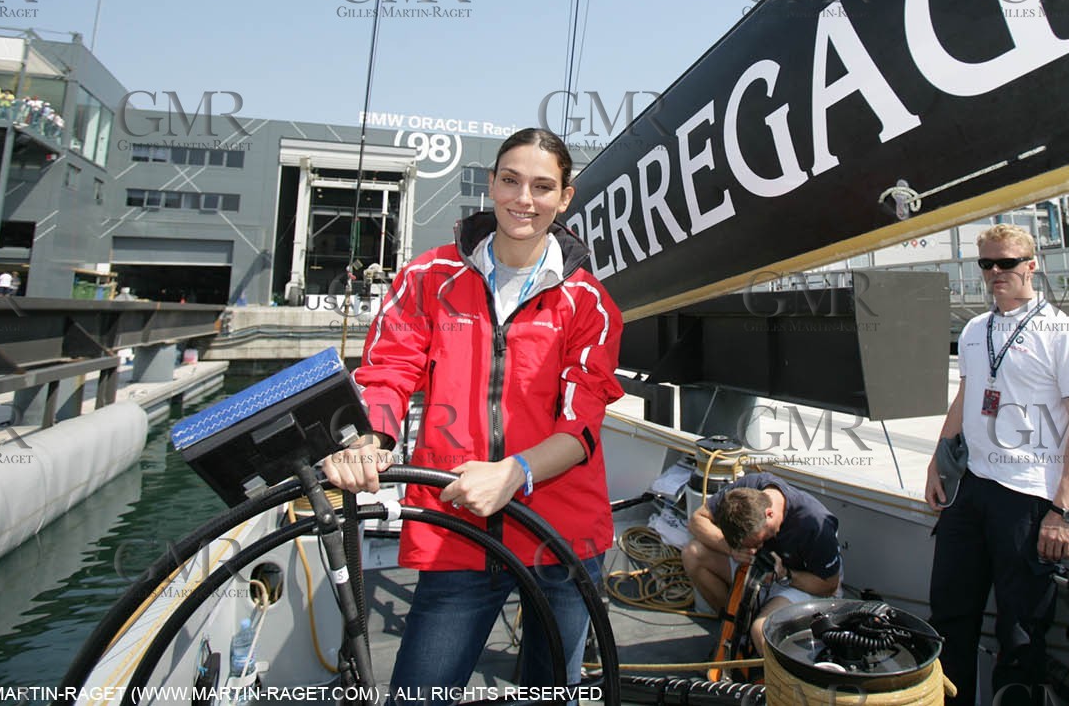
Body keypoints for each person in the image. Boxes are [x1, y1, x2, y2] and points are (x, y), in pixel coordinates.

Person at [321, 127, 624, 694]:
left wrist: (515, 472)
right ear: (491, 184)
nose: (523, 199)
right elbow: (387, 373)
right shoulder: (427, 278)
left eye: (542, 186)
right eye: (510, 181)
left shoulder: (590, 304)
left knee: (552, 691)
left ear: (564, 198)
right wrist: (370, 441)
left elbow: (580, 425)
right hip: (455, 528)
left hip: (561, 535)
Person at [925, 225, 1069, 706]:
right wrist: (938, 462)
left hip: (1026, 498)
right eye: (987, 264)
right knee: (949, 615)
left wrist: (1063, 510)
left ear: (1031, 265)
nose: (996, 272)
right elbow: (965, 397)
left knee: (1021, 632)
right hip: (971, 489)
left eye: (1006, 262)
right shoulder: (974, 330)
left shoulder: (1063, 333)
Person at [682, 472, 842, 649]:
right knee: (693, 554)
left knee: (761, 631)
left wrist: (785, 575)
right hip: (757, 570)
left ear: (769, 514)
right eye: (748, 545)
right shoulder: (745, 492)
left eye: (761, 541)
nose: (755, 549)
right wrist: (732, 549)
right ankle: (736, 628)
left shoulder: (815, 523)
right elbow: (697, 520)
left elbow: (830, 586)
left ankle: (762, 649)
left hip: (798, 582)